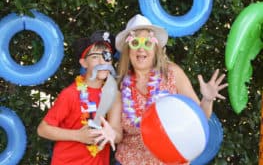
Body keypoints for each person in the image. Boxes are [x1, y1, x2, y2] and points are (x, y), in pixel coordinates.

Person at [106, 14, 228, 165]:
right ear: (128, 50)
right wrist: (111, 134)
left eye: (147, 43)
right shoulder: (118, 87)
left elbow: (201, 117)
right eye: (135, 43)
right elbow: (116, 131)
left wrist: (208, 99)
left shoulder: (172, 73)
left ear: (155, 48)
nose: (141, 49)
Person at [37, 30, 122, 165]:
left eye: (106, 56)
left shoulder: (114, 95)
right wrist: (78, 136)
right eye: (95, 57)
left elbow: (117, 134)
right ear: (84, 63)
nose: (102, 62)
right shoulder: (70, 94)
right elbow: (43, 129)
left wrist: (112, 134)